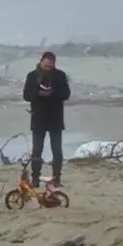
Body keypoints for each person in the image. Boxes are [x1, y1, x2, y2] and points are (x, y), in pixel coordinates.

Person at [22, 51, 72, 188]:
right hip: (38, 116)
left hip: (55, 117)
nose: (48, 67)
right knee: (37, 149)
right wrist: (38, 93)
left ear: (54, 64)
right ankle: (35, 178)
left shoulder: (60, 76)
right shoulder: (32, 76)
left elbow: (66, 94)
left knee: (57, 150)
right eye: (46, 65)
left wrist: (53, 92)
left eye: (51, 66)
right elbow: (26, 96)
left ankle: (56, 178)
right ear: (41, 61)